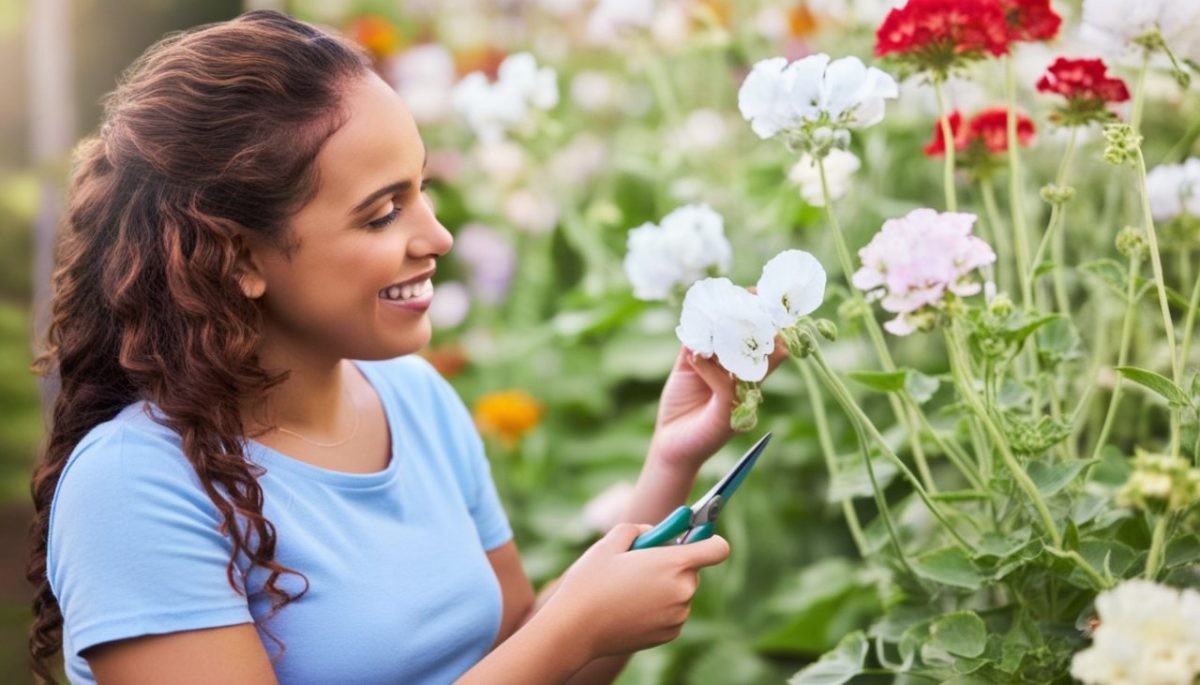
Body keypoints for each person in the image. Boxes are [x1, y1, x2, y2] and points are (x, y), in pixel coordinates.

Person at [26, 10, 785, 685]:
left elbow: (525, 657)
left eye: (421, 188)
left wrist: (671, 460)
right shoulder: (134, 489)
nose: (439, 236)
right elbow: (551, 647)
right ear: (241, 257)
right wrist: (573, 629)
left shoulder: (413, 398)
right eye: (382, 213)